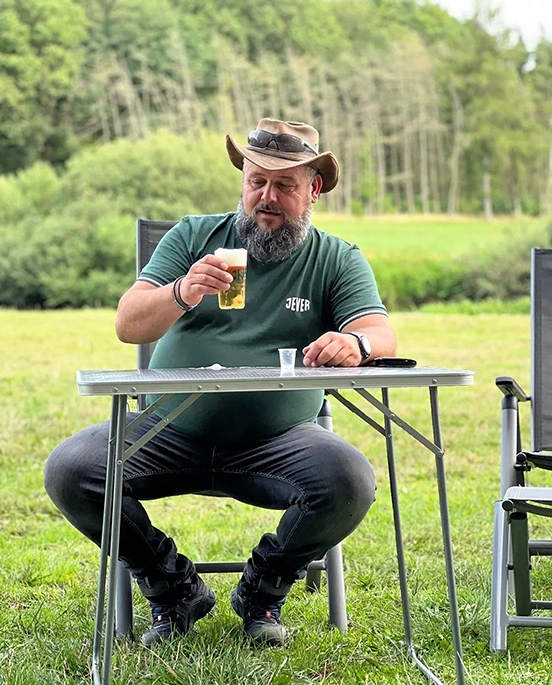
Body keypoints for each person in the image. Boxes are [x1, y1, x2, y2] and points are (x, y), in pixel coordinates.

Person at [45, 118, 397, 648]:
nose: (267, 197)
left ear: (314, 190)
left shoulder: (335, 258)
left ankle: (263, 588)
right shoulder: (193, 237)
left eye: (285, 185)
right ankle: (172, 587)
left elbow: (378, 331)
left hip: (278, 441)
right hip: (166, 427)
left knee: (350, 482)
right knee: (73, 470)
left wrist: (358, 346)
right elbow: (128, 323)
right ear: (242, 182)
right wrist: (183, 292)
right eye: (257, 181)